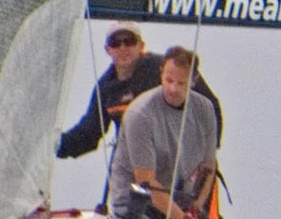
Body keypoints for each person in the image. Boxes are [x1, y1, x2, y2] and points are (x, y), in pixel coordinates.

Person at [108, 47, 227, 219]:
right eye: (168, 80)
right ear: (161, 74)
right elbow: (147, 182)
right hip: (140, 202)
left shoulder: (204, 109)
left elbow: (209, 166)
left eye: (181, 83)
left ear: (194, 81)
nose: (173, 89)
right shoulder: (140, 114)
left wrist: (196, 208)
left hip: (179, 199)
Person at [56, 24, 221, 162]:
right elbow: (88, 134)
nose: (123, 48)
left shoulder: (163, 68)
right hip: (132, 168)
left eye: (129, 41)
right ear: (107, 50)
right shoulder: (106, 87)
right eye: (115, 43)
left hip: (177, 164)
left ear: (141, 46)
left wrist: (205, 156)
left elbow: (209, 106)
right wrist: (52, 145)